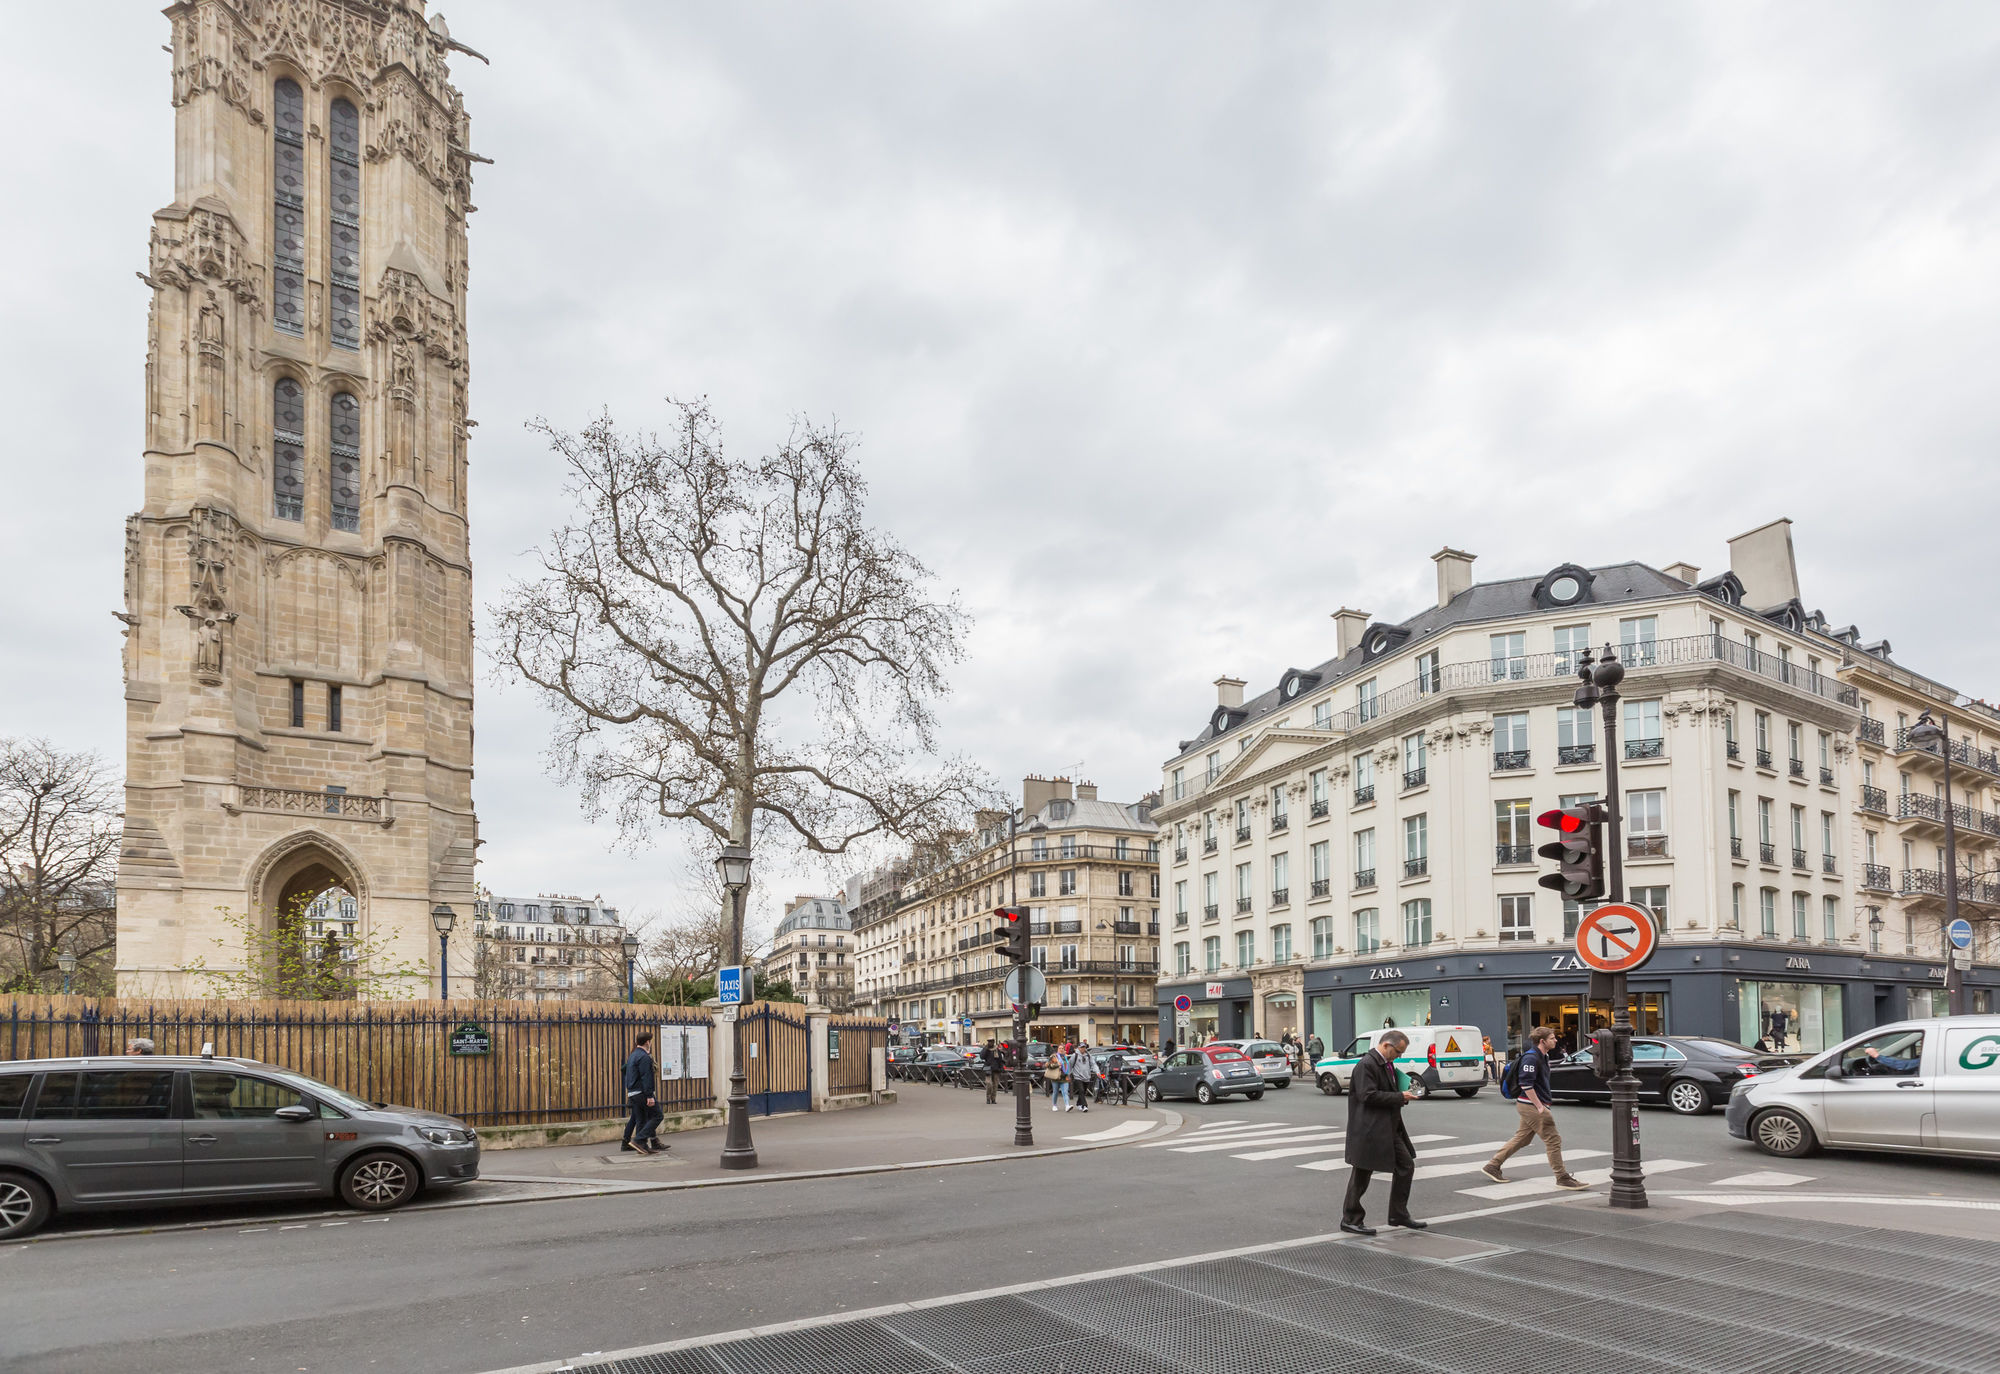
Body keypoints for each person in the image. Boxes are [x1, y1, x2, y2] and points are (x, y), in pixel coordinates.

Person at [1341, 1030, 1425, 1236]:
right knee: (1362, 1173)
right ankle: (1350, 1219)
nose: (1399, 1056)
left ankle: (1398, 1214)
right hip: (1369, 1128)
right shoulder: (1366, 1065)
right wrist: (1400, 1096)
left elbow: (1384, 1091)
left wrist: (1404, 1094)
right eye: (1398, 1051)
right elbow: (1367, 1096)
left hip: (1387, 1127)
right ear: (1386, 1045)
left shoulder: (1385, 1063)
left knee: (1406, 1165)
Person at [1482, 1026, 1587, 1190]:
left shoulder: (1542, 1056)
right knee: (1553, 1140)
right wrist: (1540, 1107)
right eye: (1552, 1038)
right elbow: (1526, 1084)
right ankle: (1562, 1177)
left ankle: (1493, 1166)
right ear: (1542, 1041)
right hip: (1531, 1106)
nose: (1556, 1040)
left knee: (1523, 1138)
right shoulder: (1531, 1058)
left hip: (1530, 1105)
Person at [622, 1031, 665, 1154]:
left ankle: (642, 1147)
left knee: (641, 1119)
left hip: (632, 1092)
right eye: (650, 1041)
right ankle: (639, 1140)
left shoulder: (633, 1055)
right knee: (658, 1115)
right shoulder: (644, 1057)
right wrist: (650, 1095)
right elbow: (646, 1077)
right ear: (647, 1042)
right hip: (641, 1092)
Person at [1069, 1041, 1097, 1112]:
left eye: (1084, 1047)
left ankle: (1079, 1103)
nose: (1083, 1049)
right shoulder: (1074, 1055)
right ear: (1078, 1048)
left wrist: (1097, 1071)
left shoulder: (1088, 1055)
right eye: (1081, 1047)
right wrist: (1068, 1074)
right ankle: (1084, 1106)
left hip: (1087, 1076)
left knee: (1083, 1092)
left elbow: (1093, 1064)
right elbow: (1070, 1065)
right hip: (1077, 1076)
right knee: (1081, 1090)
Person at [981, 1038, 1002, 1104]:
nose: (990, 1043)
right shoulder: (986, 1049)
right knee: (989, 1084)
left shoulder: (997, 1050)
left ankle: (993, 1099)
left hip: (996, 1069)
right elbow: (982, 1056)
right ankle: (988, 1098)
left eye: (991, 1041)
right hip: (988, 1069)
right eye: (989, 1041)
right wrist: (986, 1048)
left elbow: (1000, 1060)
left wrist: (1001, 1068)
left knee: (995, 1085)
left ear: (993, 1042)